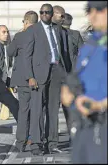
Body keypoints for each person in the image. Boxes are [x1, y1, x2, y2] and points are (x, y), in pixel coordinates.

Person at [61, 1, 107, 163]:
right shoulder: (91, 44)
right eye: (90, 10)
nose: (93, 14)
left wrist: (99, 105)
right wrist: (68, 91)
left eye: (100, 9)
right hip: (85, 128)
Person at [23, 3, 70, 155]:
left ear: (52, 14)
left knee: (53, 110)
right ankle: (36, 143)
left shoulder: (57, 29)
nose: (44, 15)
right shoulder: (33, 30)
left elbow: (64, 53)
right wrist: (30, 76)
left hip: (56, 71)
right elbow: (26, 55)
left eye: (47, 12)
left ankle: (52, 143)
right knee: (37, 110)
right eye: (41, 12)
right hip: (38, 74)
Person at [7, 11, 38, 152]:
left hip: (23, 80)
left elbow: (10, 52)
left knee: (23, 111)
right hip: (38, 79)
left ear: (25, 21)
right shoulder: (40, 35)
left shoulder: (20, 36)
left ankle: (20, 143)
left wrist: (18, 35)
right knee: (37, 111)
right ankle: (34, 139)